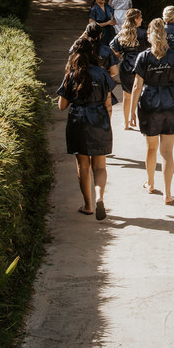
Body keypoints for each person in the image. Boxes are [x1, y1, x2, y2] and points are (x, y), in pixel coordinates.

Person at [131, 18, 174, 205]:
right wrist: (170, 82)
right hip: (170, 102)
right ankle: (168, 193)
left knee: (151, 148)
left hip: (149, 102)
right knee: (167, 152)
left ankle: (150, 183)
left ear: (149, 36)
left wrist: (131, 112)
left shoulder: (143, 57)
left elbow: (136, 87)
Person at [56, 37, 115, 220]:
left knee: (83, 166)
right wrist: (106, 122)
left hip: (79, 121)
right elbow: (109, 103)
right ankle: (99, 197)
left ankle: (88, 205)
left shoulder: (72, 75)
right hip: (99, 119)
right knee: (100, 166)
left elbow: (62, 106)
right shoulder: (102, 73)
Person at [110, 9, 146, 130]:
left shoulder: (122, 34)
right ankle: (142, 122)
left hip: (126, 66)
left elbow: (113, 49)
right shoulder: (144, 34)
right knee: (141, 94)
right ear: (136, 19)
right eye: (140, 17)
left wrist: (120, 54)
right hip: (141, 66)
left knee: (127, 96)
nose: (141, 20)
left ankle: (126, 123)